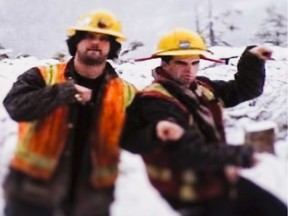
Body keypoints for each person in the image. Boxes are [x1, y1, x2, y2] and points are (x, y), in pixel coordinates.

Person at [120, 28, 287, 216]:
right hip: (190, 192)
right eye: (181, 63)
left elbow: (244, 90)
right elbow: (187, 152)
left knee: (276, 210)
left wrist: (253, 59)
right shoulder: (156, 102)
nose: (189, 71)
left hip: (217, 179)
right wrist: (241, 155)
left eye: (195, 63)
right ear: (165, 64)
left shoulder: (202, 88)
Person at [2, 9, 136, 216]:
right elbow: (15, 106)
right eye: (89, 36)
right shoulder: (41, 76)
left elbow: (140, 137)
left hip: (91, 203)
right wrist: (63, 92)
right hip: (32, 198)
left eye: (104, 39)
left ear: (112, 47)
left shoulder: (126, 92)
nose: (96, 43)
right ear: (76, 42)